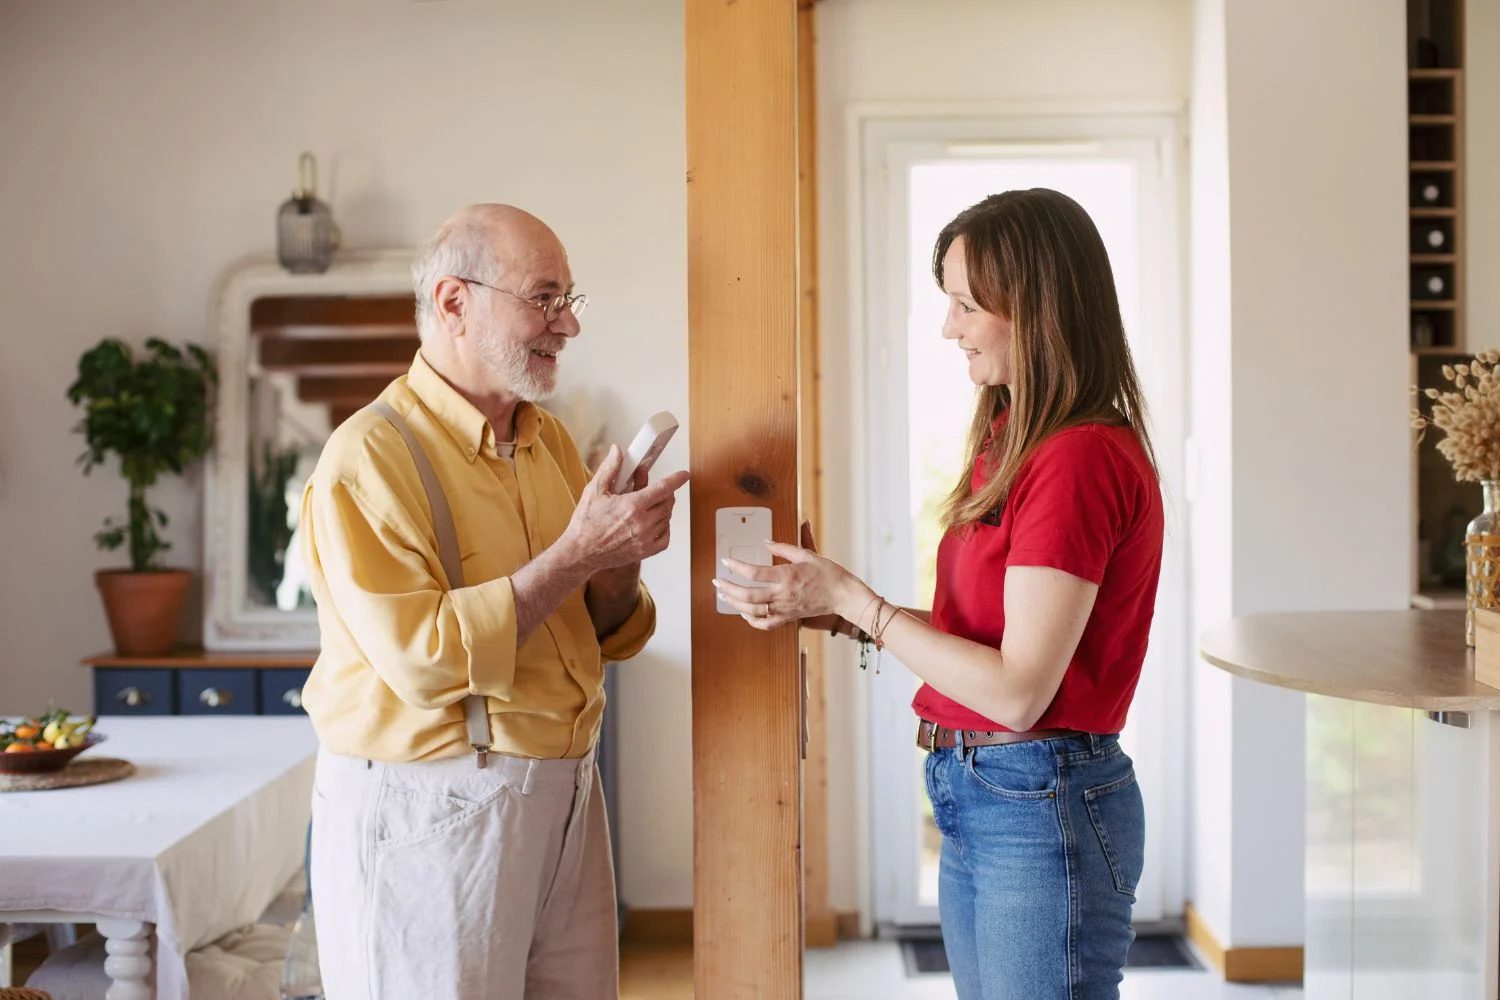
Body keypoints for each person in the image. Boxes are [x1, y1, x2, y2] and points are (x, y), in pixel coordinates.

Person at [716, 189, 1164, 1000]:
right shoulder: (1014, 438)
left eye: (964, 304)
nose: (949, 327)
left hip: (1037, 796)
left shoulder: (1078, 459)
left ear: (1035, 306)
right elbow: (992, 645)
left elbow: (1020, 692)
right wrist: (836, 612)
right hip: (990, 791)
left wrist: (858, 600)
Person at [298, 203, 689, 1000]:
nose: (566, 326)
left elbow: (605, 632)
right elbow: (426, 661)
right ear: (453, 303)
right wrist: (578, 551)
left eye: (569, 301)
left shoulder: (546, 443)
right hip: (431, 809)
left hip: (566, 796)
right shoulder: (366, 458)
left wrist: (615, 562)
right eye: (544, 298)